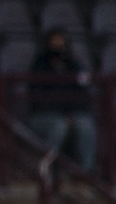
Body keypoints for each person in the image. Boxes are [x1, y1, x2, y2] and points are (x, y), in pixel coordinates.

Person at [27, 30, 96, 169]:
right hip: (45, 115)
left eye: (61, 41)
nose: (58, 44)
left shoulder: (74, 64)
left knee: (86, 125)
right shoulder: (40, 65)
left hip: (71, 113)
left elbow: (83, 93)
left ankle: (87, 172)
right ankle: (50, 168)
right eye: (55, 40)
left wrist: (69, 113)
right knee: (59, 126)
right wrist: (62, 113)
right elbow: (37, 96)